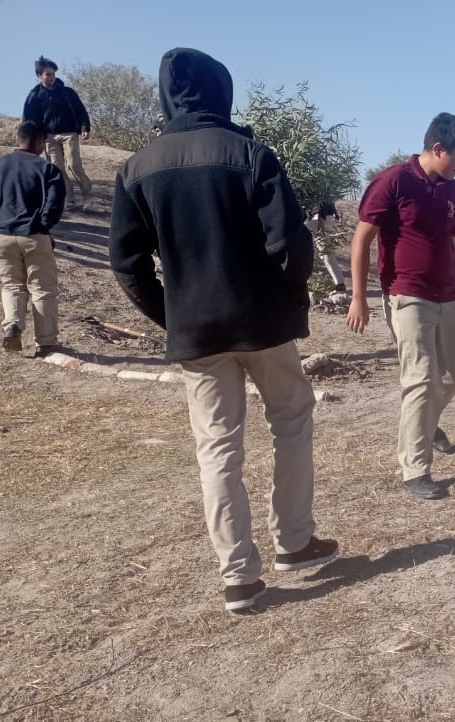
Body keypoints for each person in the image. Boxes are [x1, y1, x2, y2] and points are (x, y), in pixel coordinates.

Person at [109, 48, 337, 613]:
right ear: (221, 92)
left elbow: (126, 263)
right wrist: (289, 299)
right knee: (291, 421)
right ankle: (295, 542)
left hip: (197, 334)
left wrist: (172, 316)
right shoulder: (250, 153)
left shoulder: (136, 168)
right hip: (261, 322)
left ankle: (238, 576)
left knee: (217, 449)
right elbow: (289, 243)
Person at [346, 112, 455, 501]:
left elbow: (453, 246)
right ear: (437, 148)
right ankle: (415, 468)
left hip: (451, 297)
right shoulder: (393, 181)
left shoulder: (452, 192)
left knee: (453, 375)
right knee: (421, 379)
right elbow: (362, 240)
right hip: (408, 296)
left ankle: (427, 424)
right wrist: (361, 297)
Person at [0, 121, 66, 356]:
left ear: (18, 139)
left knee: (11, 284)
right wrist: (43, 226)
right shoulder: (48, 169)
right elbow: (54, 204)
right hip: (33, 235)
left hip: (2, 235)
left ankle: (13, 324)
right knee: (42, 288)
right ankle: (46, 341)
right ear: (41, 142)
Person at [22, 56, 93, 211]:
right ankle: (68, 199)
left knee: (74, 165)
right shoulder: (34, 95)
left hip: (69, 134)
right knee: (57, 168)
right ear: (39, 75)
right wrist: (32, 138)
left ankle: (88, 198)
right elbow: (28, 119)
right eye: (48, 74)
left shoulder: (67, 92)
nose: (51, 77)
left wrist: (85, 128)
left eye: (53, 74)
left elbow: (81, 111)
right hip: (48, 137)